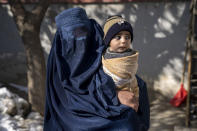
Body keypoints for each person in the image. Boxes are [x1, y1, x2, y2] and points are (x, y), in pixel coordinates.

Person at [44, 7, 149, 131]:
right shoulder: (58, 68)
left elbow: (116, 77)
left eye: (83, 32)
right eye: (73, 34)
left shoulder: (96, 54)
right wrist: (113, 96)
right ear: (62, 39)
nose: (80, 39)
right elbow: (69, 95)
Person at [102, 15, 139, 112]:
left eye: (127, 37)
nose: (123, 41)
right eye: (118, 37)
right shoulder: (102, 57)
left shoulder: (130, 57)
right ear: (108, 41)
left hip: (130, 91)